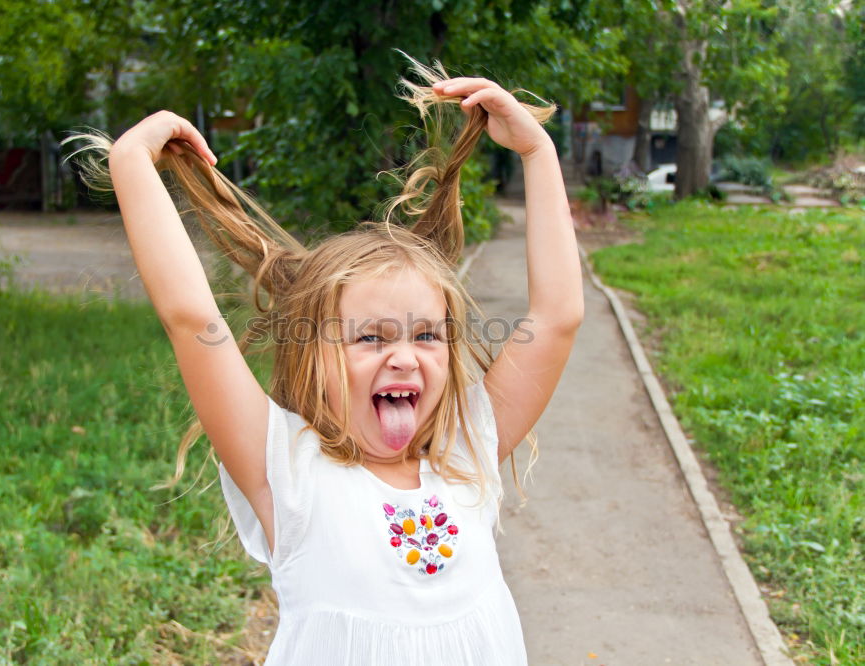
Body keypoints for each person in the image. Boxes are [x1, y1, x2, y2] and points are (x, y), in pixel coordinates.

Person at [69, 59, 583, 665]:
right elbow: (192, 321)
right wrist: (130, 161)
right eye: (370, 339)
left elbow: (555, 320)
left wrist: (537, 152)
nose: (404, 358)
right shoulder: (288, 472)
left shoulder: (466, 454)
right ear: (313, 358)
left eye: (427, 335)